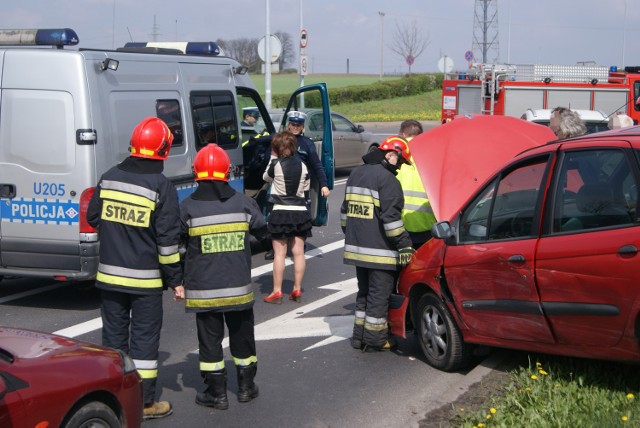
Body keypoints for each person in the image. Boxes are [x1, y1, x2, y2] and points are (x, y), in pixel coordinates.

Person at [86, 117, 183, 420]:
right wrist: (176, 280)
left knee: (113, 343)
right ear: (163, 149)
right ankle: (144, 404)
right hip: (146, 284)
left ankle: (114, 401)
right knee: (143, 346)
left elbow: (93, 217)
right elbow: (168, 243)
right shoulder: (161, 187)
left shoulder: (109, 176)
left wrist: (117, 233)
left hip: (109, 278)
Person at [179, 143, 267, 409]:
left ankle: (216, 394)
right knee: (243, 338)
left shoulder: (187, 208)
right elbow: (264, 234)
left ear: (197, 173)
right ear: (226, 172)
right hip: (238, 288)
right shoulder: (244, 203)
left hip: (204, 292)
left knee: (209, 343)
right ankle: (245, 388)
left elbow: (177, 246)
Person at [341, 136, 415, 352]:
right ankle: (375, 340)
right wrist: (404, 245)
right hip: (380, 253)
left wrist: (355, 235)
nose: (399, 168)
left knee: (363, 294)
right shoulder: (388, 181)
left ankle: (359, 338)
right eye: (400, 162)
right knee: (378, 297)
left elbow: (345, 214)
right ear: (391, 154)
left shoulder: (356, 174)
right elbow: (391, 221)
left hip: (356, 249)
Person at [263, 110, 330, 260]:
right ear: (288, 124)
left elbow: (317, 165)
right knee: (272, 215)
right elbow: (271, 160)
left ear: (302, 127)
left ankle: (299, 243)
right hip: (279, 184)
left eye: (298, 125)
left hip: (300, 186)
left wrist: (324, 184)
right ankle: (274, 247)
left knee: (300, 217)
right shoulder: (279, 140)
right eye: (293, 124)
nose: (295, 127)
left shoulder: (307, 143)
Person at [262, 131, 312, 304]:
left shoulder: (275, 164)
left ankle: (277, 292)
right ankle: (297, 289)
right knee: (298, 252)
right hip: (300, 211)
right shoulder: (303, 166)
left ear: (277, 148)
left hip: (280, 211)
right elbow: (306, 187)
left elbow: (265, 178)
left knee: (279, 254)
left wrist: (272, 157)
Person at [394, 120, 436, 249]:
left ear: (403, 134)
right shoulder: (432, 155)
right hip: (428, 227)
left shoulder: (396, 157)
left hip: (401, 225)